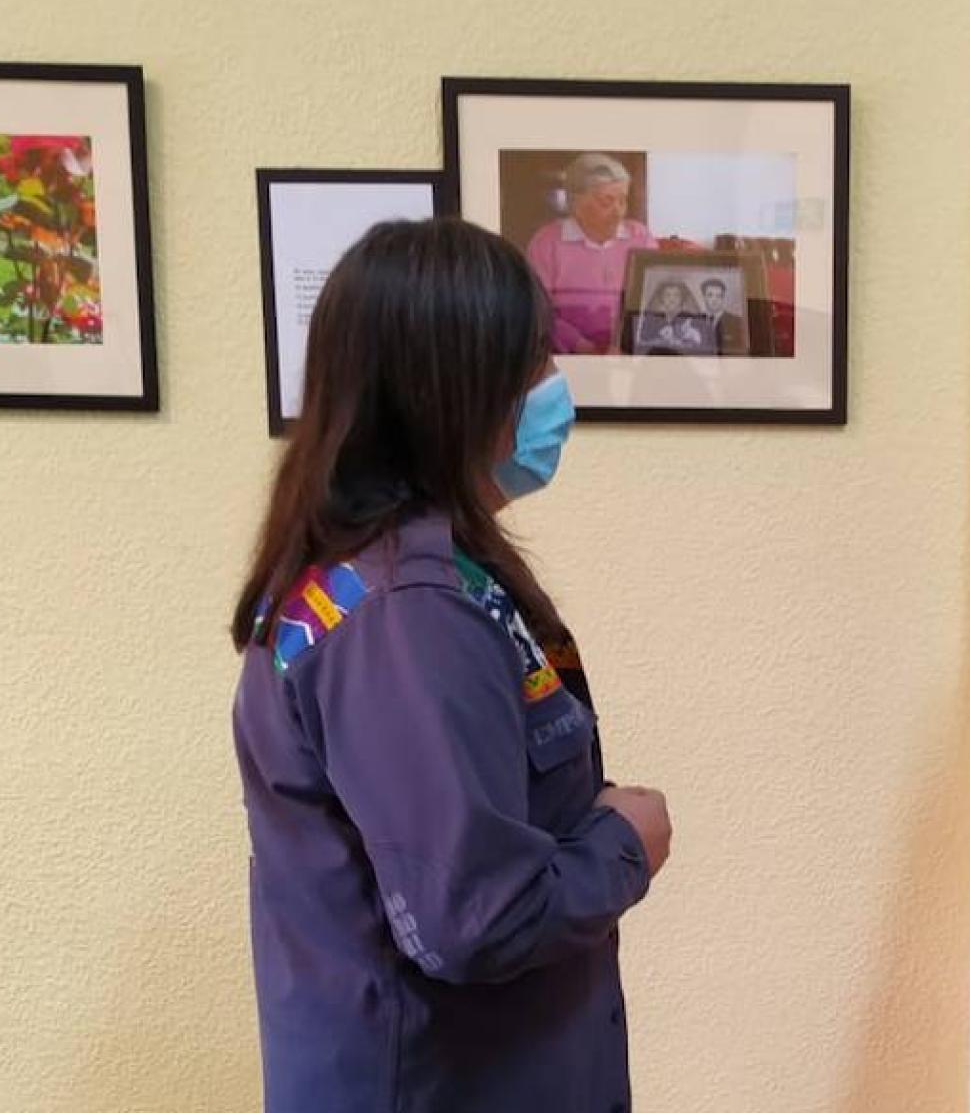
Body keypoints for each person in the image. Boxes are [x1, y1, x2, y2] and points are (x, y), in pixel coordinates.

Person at [229, 218, 673, 1113]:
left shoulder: (399, 574)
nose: (555, 394)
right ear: (454, 390)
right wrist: (628, 842)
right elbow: (472, 918)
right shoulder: (405, 613)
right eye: (535, 365)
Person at [525, 153, 658, 355]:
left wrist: (626, 344)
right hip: (566, 354)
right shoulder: (546, 242)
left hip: (630, 354)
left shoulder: (640, 237)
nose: (618, 212)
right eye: (607, 202)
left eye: (622, 201)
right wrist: (582, 346)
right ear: (576, 204)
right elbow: (537, 310)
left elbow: (655, 301)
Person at [699, 277, 749, 356]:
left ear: (723, 298)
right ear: (704, 297)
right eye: (710, 295)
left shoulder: (737, 322)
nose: (714, 299)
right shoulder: (696, 321)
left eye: (718, 296)